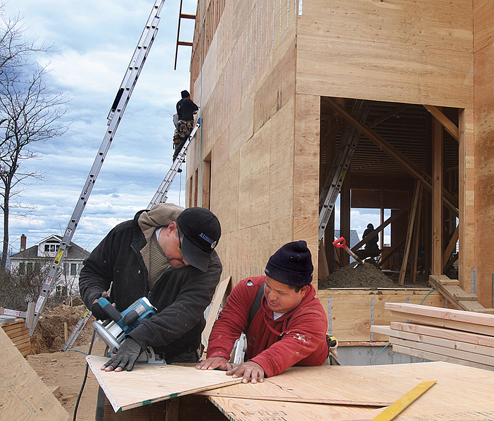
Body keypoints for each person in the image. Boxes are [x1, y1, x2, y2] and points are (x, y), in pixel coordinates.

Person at [79, 203, 222, 420]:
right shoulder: (125, 236)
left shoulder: (209, 265)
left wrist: (139, 337)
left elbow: (186, 311)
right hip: (123, 351)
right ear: (171, 229)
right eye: (185, 252)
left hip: (179, 357)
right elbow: (92, 271)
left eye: (195, 259)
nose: (186, 262)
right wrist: (94, 296)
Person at [195, 240, 329, 384]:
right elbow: (228, 323)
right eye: (268, 286)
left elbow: (288, 348)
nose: (271, 297)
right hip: (260, 371)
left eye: (280, 292)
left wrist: (260, 363)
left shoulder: (314, 317)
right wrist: (218, 354)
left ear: (302, 291)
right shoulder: (248, 290)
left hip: (306, 380)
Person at [173, 90, 199, 161]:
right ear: (188, 96)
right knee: (185, 139)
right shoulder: (187, 101)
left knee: (181, 140)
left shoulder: (178, 103)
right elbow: (195, 108)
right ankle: (177, 156)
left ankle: (177, 156)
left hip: (180, 124)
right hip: (186, 124)